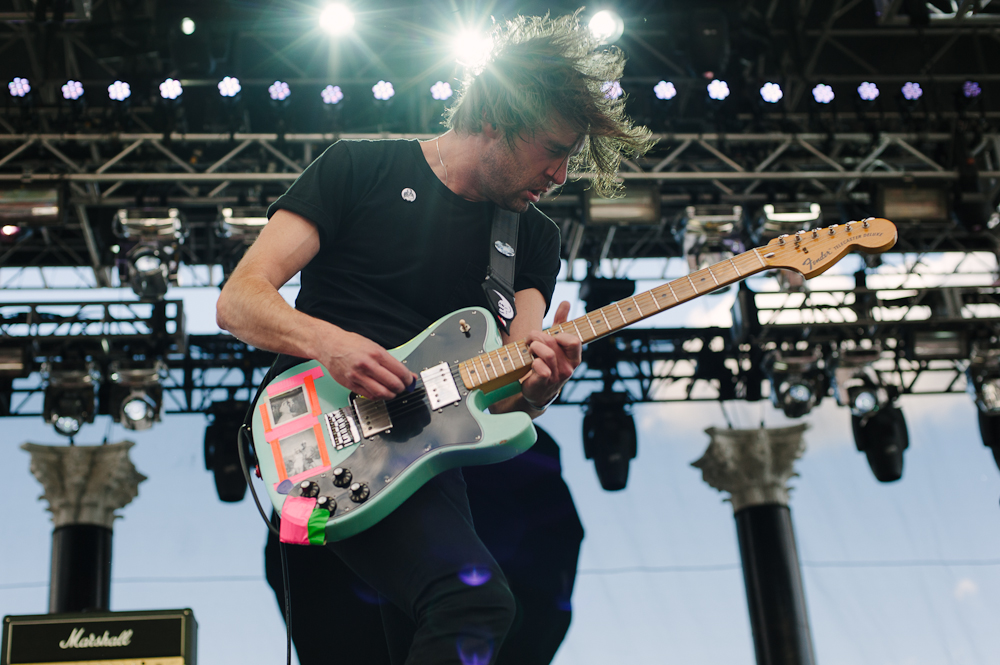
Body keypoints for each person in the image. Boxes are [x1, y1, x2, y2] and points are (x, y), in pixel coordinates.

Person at [216, 11, 652, 665]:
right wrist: (331, 342)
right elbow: (240, 300)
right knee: (461, 605)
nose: (561, 174)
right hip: (317, 445)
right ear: (495, 117)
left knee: (469, 604)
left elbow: (513, 394)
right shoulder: (358, 170)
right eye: (554, 149)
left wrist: (544, 382)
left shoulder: (528, 237)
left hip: (424, 465)